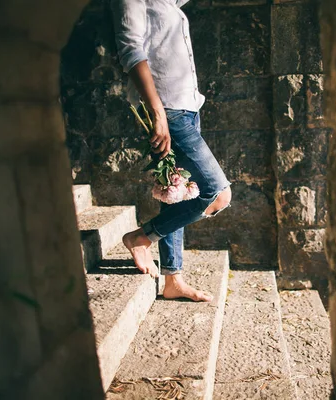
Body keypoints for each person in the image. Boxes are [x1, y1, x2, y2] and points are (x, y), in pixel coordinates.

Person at [111, 0, 231, 302]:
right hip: (166, 110)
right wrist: (157, 113)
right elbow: (130, 50)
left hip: (187, 108)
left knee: (178, 193)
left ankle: (172, 279)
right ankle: (140, 237)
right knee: (216, 193)